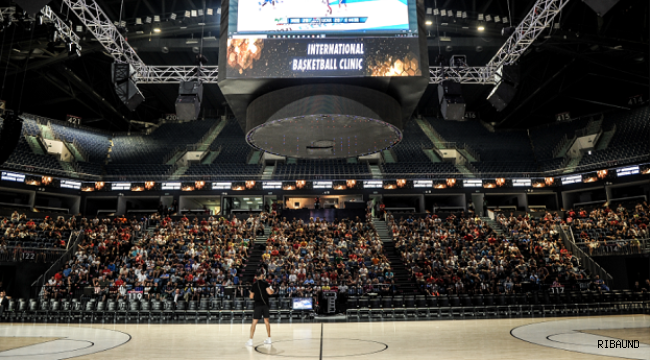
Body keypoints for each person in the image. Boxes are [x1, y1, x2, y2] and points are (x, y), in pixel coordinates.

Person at [247, 268, 274, 346]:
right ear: (262, 276)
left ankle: (250, 340)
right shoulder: (265, 283)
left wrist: (252, 293)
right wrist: (272, 290)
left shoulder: (254, 285)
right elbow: (270, 293)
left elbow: (251, 297)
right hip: (265, 304)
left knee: (254, 323)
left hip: (258, 305)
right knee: (267, 322)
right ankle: (269, 339)